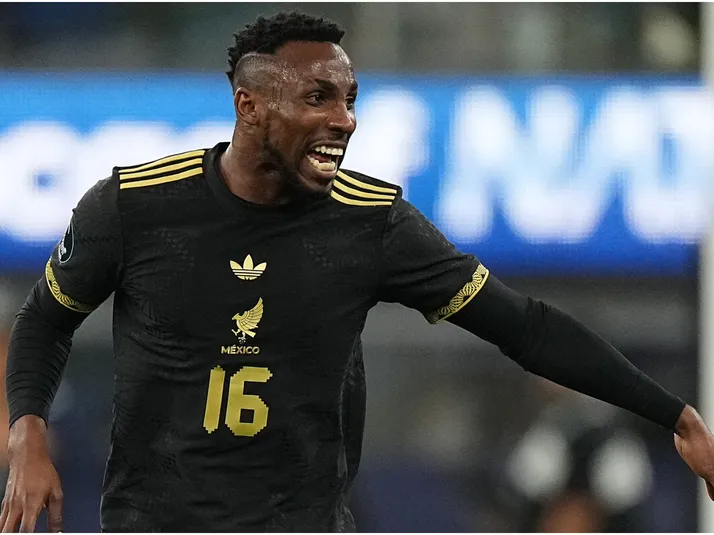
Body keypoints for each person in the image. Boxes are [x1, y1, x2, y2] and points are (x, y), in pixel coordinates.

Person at [2, 10, 714, 533]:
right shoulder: (134, 206)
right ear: (250, 106)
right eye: (318, 97)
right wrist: (27, 430)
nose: (344, 120)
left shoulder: (373, 223)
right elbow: (45, 319)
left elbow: (523, 326)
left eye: (349, 100)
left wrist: (674, 414)